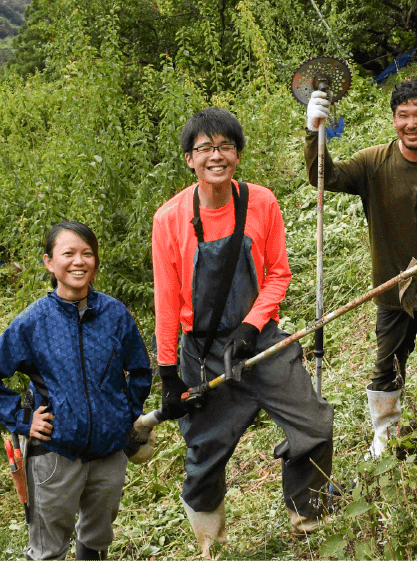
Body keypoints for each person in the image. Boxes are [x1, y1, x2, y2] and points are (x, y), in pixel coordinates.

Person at [151, 108, 333, 556]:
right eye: (205, 148)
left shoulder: (261, 202)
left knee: (314, 426)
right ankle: (211, 545)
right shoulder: (169, 219)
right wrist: (169, 373)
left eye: (226, 146)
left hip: (261, 342)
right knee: (205, 456)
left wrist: (251, 327)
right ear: (189, 159)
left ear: (237, 153)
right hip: (202, 351)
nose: (217, 156)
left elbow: (278, 274)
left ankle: (307, 520)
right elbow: (167, 300)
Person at [304, 76, 417, 457]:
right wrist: (314, 133)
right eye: (402, 115)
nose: (411, 123)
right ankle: (384, 436)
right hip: (391, 288)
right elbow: (326, 177)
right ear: (394, 119)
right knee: (385, 367)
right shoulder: (374, 163)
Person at [0, 221, 151, 561]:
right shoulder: (33, 322)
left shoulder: (114, 314)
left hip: (109, 454)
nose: (79, 261)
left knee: (98, 539)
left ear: (96, 262)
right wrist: (22, 418)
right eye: (68, 253)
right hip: (55, 454)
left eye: (87, 253)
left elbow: (141, 370)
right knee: (48, 548)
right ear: (49, 262)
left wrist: (124, 415)